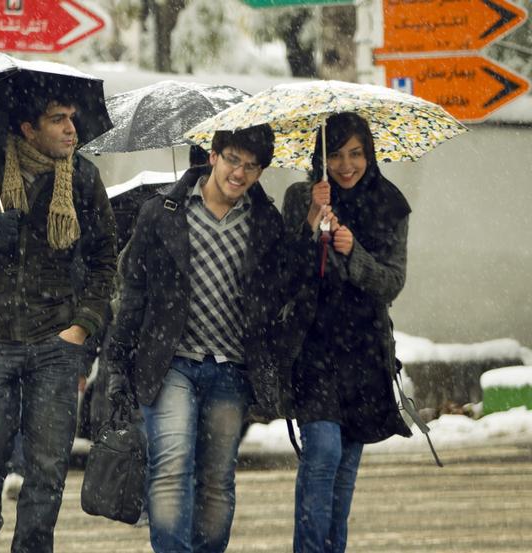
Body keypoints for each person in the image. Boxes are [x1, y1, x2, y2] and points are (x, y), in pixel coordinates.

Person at [0, 87, 117, 553]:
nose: (71, 129)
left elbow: (104, 261)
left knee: (48, 466)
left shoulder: (83, 180)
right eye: (58, 119)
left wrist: (83, 325)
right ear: (28, 129)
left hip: (55, 340)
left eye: (72, 118)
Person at [105, 124, 288, 553]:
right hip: (170, 364)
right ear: (213, 156)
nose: (239, 173)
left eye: (252, 166)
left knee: (216, 479)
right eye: (232, 160)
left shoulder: (266, 222)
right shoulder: (161, 212)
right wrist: (117, 363)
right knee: (169, 469)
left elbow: (279, 295)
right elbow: (134, 292)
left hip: (231, 368)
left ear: (261, 172)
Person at [277, 112, 413, 553]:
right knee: (323, 456)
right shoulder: (302, 196)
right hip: (314, 348)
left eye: (356, 154)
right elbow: (283, 274)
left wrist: (354, 254)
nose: (346, 165)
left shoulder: (391, 204)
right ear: (320, 157)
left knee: (345, 469)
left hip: (363, 352)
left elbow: (391, 282)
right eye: (334, 155)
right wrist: (311, 219)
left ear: (370, 154)